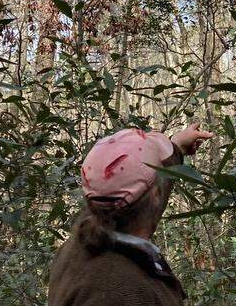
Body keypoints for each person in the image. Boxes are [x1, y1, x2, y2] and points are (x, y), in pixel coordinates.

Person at [48, 123, 214, 306]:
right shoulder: (120, 292)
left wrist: (177, 149)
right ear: (155, 196)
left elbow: (142, 194)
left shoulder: (80, 243)